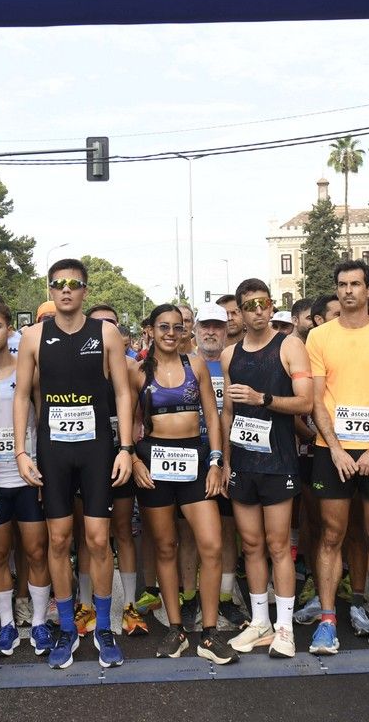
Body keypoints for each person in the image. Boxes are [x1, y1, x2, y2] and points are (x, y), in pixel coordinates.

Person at [13, 258, 134, 670]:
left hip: (97, 448)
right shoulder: (33, 336)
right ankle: (67, 627)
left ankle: (102, 627)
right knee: (59, 540)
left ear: (85, 290)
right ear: (49, 290)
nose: (66, 290)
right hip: (54, 450)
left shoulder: (106, 333)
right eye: (59, 284)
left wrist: (126, 448)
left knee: (99, 539)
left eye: (74, 284)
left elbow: (122, 392)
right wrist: (21, 452)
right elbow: (20, 397)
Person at [306, 261, 369, 655]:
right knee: (332, 535)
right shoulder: (318, 337)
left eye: (356, 284)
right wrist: (333, 447)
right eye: (342, 284)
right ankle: (328, 622)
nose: (348, 291)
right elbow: (315, 400)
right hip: (331, 449)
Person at [131, 304, 238, 663]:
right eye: (164, 327)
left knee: (210, 544)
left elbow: (212, 413)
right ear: (151, 330)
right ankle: (176, 629)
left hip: (194, 461)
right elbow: (130, 423)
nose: (171, 333)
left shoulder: (195, 366)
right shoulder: (138, 371)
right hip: (154, 464)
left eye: (178, 327)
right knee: (166, 547)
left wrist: (216, 461)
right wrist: (132, 459)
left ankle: (209, 633)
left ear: (185, 331)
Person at [222, 278, 312, 658]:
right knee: (252, 545)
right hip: (242, 462)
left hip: (278, 461)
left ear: (271, 305)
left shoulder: (289, 345)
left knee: (278, 546)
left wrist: (264, 398)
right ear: (240, 313)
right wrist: (225, 462)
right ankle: (260, 622)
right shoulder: (230, 355)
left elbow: (306, 402)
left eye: (263, 303)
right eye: (249, 306)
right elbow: (227, 412)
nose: (257, 311)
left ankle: (285, 628)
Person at [0, 300, 55, 658]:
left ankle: (37, 623)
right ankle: (6, 625)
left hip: (28, 477)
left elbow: (43, 419)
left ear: (9, 330)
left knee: (36, 551)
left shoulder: (27, 369)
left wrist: (41, 466)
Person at [77, 303, 146, 638]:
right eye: (100, 323)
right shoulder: (76, 363)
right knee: (87, 535)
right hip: (83, 456)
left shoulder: (131, 367)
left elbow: (140, 413)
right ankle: (85, 604)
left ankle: (130, 604)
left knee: (122, 530)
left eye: (112, 324)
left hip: (119, 456)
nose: (107, 329)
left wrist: (129, 450)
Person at [193, 303, 247, 629]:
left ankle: (225, 597)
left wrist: (225, 458)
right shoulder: (186, 363)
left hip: (229, 454)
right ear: (195, 330)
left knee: (226, 530)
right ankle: (190, 597)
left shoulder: (236, 362)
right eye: (206, 326)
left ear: (226, 330)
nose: (211, 332)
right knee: (188, 533)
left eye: (218, 326)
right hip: (189, 456)